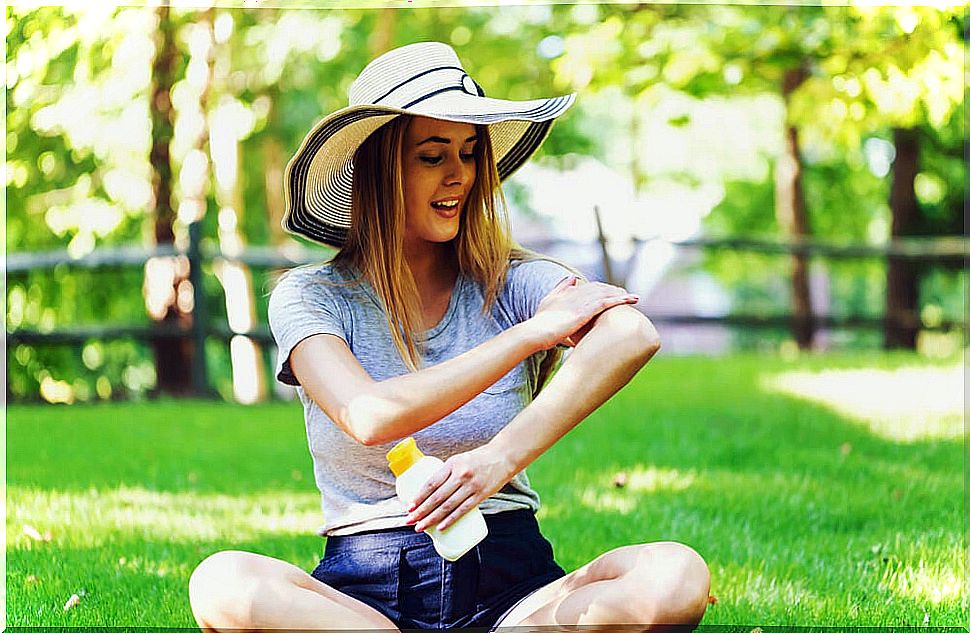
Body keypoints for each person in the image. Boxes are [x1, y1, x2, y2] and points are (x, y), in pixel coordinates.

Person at [188, 41, 710, 632]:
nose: (459, 175)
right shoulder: (311, 295)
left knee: (676, 575)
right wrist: (530, 337)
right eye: (432, 155)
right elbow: (368, 414)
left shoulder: (509, 279)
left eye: (468, 152)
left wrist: (496, 461)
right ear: (381, 169)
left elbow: (630, 334)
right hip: (365, 598)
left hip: (514, 587)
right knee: (221, 582)